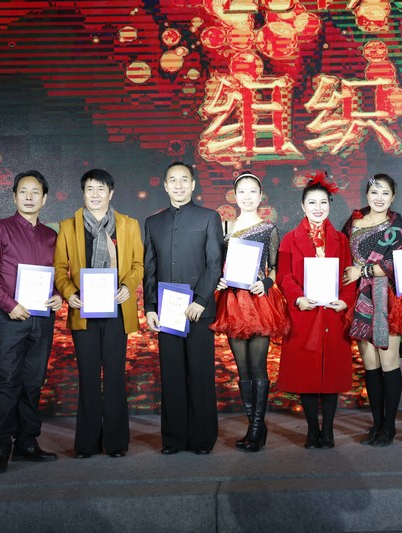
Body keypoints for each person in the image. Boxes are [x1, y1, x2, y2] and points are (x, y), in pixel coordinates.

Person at [0, 170, 63, 474]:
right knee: (6, 380)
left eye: (35, 192)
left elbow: (59, 274)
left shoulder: (51, 235)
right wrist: (9, 304)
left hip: (42, 318)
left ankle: (26, 443)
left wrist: (58, 296)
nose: (29, 197)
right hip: (9, 318)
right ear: (14, 196)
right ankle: (1, 448)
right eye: (23, 191)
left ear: (44, 198)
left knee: (33, 381)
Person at [53, 169, 144, 458]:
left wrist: (128, 286)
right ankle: (87, 443)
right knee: (88, 377)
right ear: (83, 193)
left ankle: (116, 442)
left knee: (115, 376)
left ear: (111, 193)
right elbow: (59, 269)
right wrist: (70, 293)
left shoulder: (128, 225)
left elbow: (138, 265)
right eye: (90, 189)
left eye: (101, 189)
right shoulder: (68, 226)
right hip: (84, 311)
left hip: (117, 310)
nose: (95, 194)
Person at [143, 161, 223, 455]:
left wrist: (200, 300)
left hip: (199, 311)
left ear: (193, 185)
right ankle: (174, 439)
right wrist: (150, 306)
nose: (178, 185)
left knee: (201, 376)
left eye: (184, 180)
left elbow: (215, 263)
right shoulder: (153, 222)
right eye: (173, 180)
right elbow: (150, 268)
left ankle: (203, 439)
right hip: (167, 311)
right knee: (172, 376)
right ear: (165, 186)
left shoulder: (209, 217)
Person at [276, 172, 356, 448]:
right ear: (303, 206)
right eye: (312, 202)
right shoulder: (290, 239)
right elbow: (284, 276)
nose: (318, 208)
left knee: (331, 375)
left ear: (329, 205)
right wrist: (298, 298)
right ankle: (312, 430)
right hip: (304, 313)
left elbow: (348, 276)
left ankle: (328, 430)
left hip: (333, 314)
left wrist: (346, 300)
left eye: (323, 202)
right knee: (307, 375)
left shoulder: (341, 240)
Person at [210, 171, 289, 452]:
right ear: (234, 195)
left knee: (258, 367)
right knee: (242, 369)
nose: (247, 196)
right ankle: (255, 427)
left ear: (261, 195)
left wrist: (265, 283)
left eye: (252, 191)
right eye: (241, 191)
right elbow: (216, 264)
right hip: (232, 301)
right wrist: (218, 280)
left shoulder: (269, 229)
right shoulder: (225, 227)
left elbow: (275, 268)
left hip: (258, 302)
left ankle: (256, 429)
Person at [342, 173, 402, 446]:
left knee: (388, 362)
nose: (379, 198)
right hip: (360, 300)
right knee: (370, 365)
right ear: (367, 195)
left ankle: (389, 427)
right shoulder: (353, 222)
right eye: (374, 192)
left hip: (387, 300)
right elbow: (343, 256)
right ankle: (377, 423)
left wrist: (363, 271)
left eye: (385, 193)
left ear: (393, 197)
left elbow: (397, 263)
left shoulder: (397, 225)